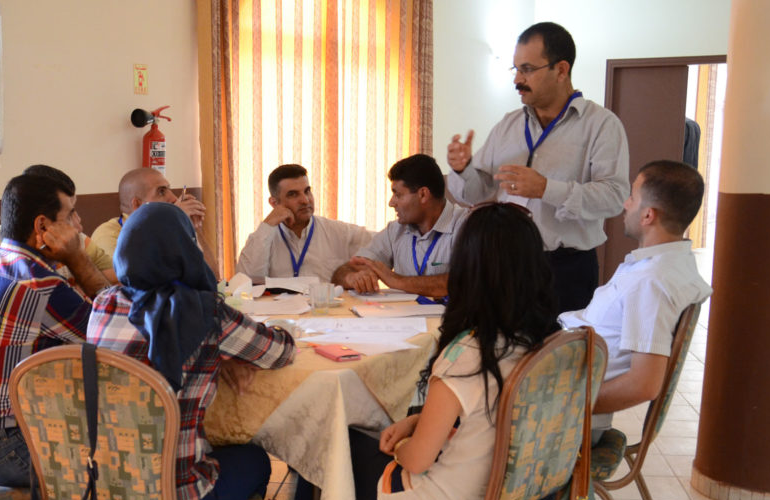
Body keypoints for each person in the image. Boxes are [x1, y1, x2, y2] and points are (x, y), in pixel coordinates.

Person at [266, 203, 561, 500]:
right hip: (506, 490)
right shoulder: (543, 337)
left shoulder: (468, 353)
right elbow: (487, 410)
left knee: (337, 449)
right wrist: (423, 419)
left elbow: (418, 460)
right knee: (358, 443)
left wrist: (398, 446)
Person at [87, 202, 296, 500]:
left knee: (172, 468)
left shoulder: (104, 304)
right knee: (255, 461)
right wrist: (231, 353)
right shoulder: (206, 314)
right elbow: (279, 353)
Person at [497, 160, 713, 500]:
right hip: (564, 374)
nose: (626, 204)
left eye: (632, 196)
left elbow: (644, 383)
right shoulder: (664, 263)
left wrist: (560, 403)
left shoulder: (653, 281)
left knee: (461, 416)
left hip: (568, 411)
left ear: (648, 215)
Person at [446, 21, 629, 312]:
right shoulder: (508, 125)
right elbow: (476, 194)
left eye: (527, 69)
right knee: (505, 354)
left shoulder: (601, 125)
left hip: (565, 270)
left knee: (557, 355)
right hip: (504, 265)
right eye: (516, 69)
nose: (517, 79)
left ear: (561, 70)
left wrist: (547, 189)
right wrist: (463, 170)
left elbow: (614, 197)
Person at [0, 173, 110, 487]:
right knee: (127, 463)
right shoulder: (38, 284)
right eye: (71, 214)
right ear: (42, 227)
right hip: (4, 450)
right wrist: (75, 257)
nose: (79, 223)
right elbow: (112, 336)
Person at [332, 154, 468, 299]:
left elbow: (466, 282)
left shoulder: (468, 226)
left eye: (398, 195)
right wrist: (353, 277)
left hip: (455, 320)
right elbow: (345, 271)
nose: (391, 203)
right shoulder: (395, 230)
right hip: (406, 320)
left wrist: (395, 280)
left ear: (423, 195)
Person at [0, 164, 117, 284]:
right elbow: (106, 313)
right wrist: (77, 260)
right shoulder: (0, 256)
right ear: (42, 225)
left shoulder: (75, 239)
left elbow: (117, 279)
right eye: (69, 214)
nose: (78, 226)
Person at [234, 164, 373, 280]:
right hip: (282, 312)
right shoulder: (262, 238)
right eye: (293, 194)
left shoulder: (339, 232)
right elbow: (247, 283)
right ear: (274, 203)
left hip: (325, 311)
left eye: (307, 191)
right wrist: (268, 224)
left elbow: (386, 243)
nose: (305, 200)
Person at [89, 167, 206, 260]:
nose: (174, 198)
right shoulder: (108, 234)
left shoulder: (173, 226)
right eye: (161, 192)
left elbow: (208, 276)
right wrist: (171, 224)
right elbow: (130, 280)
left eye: (169, 190)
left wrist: (190, 229)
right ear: (138, 205)